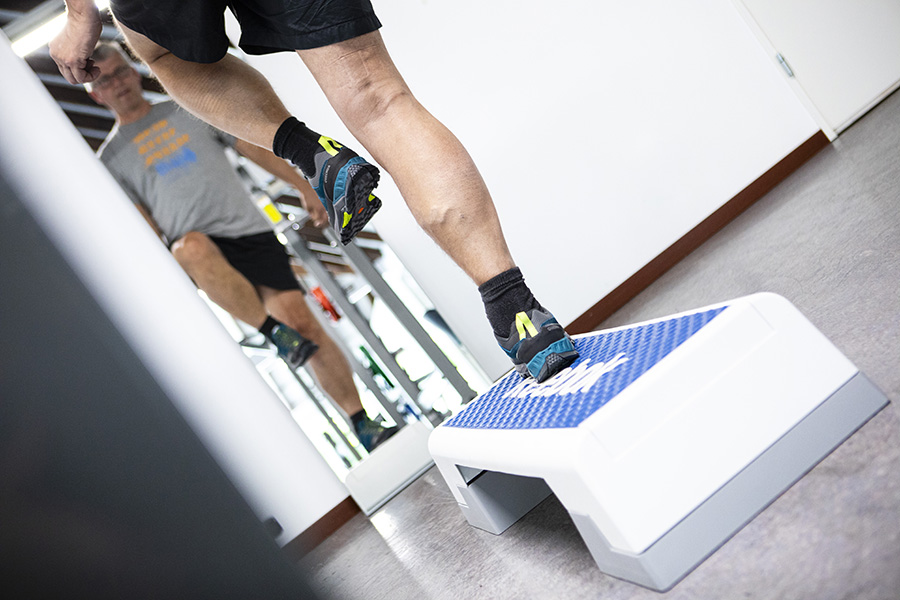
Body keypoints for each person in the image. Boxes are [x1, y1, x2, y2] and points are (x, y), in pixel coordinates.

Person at [50, 0, 579, 383]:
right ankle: (518, 313)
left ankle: (310, 151)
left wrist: (78, 13)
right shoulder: (115, 155)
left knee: (167, 57)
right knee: (381, 101)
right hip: (213, 241)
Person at [87, 42, 396, 452]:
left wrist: (302, 184)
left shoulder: (185, 108)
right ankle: (272, 332)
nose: (117, 83)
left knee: (304, 326)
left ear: (135, 70)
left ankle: (362, 423)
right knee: (190, 248)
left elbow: (249, 146)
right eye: (105, 80)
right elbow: (141, 223)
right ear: (95, 93)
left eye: (121, 71)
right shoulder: (109, 159)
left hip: (249, 232)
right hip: (199, 251)